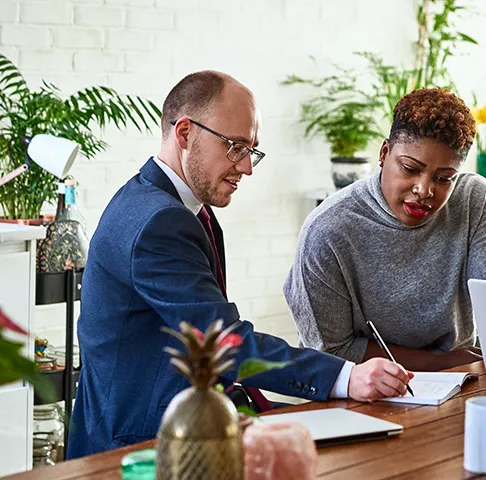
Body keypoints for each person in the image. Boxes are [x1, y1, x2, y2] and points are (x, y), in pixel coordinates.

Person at [69, 71, 412, 458]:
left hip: (185, 416)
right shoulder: (159, 222)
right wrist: (346, 376)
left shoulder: (163, 203)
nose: (247, 167)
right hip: (141, 444)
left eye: (252, 150)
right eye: (234, 147)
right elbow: (224, 341)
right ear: (184, 133)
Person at [284, 87, 486, 372]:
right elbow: (331, 351)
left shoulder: (473, 200)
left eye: (444, 178)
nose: (424, 190)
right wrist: (441, 363)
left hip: (459, 380)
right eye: (409, 168)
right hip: (360, 387)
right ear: (384, 154)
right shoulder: (327, 230)